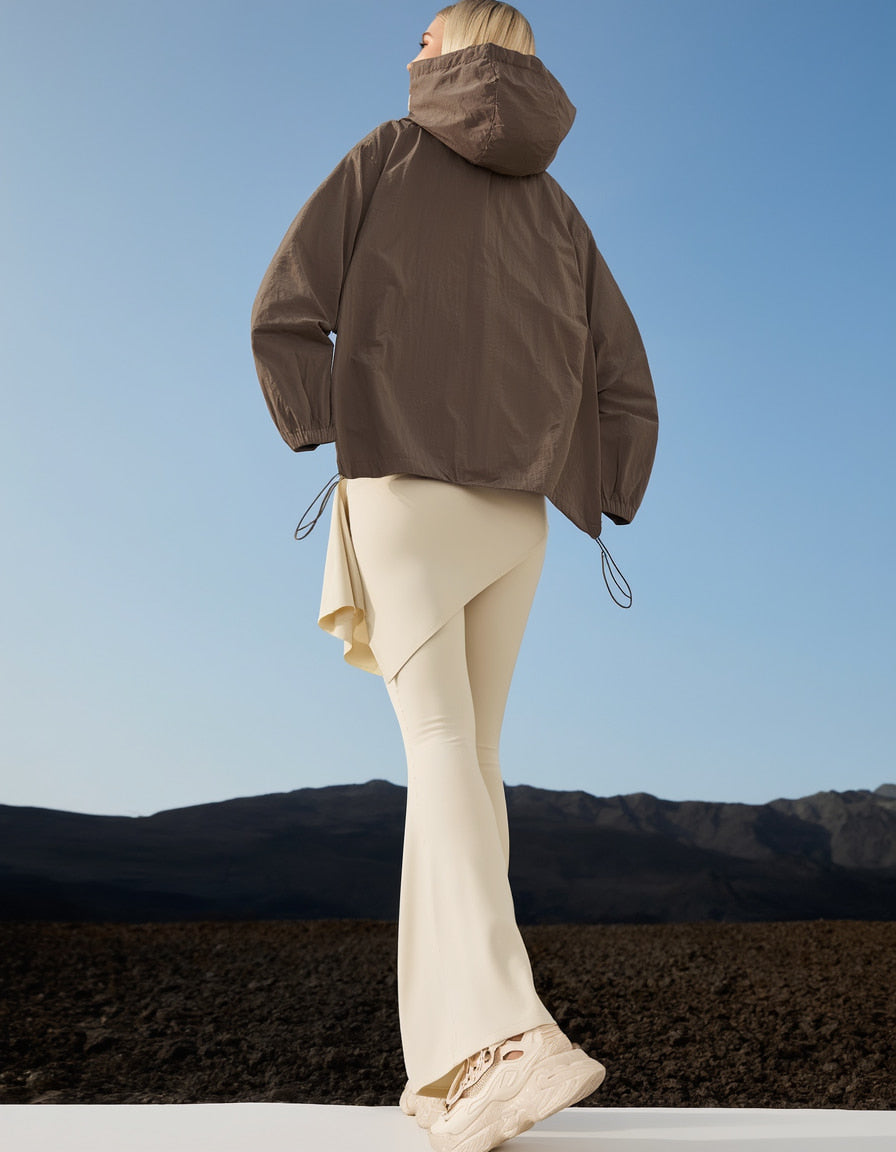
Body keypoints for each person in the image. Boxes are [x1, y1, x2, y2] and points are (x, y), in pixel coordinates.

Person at [250, 3, 658, 1150]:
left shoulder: (386, 152)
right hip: (518, 517)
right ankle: (453, 1072)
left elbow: (282, 310)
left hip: (408, 494)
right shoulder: (561, 209)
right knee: (470, 767)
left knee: (437, 759)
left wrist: (332, 425)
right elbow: (623, 374)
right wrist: (607, 485)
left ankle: (514, 1038)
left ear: (462, 50)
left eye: (426, 36)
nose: (410, 52)